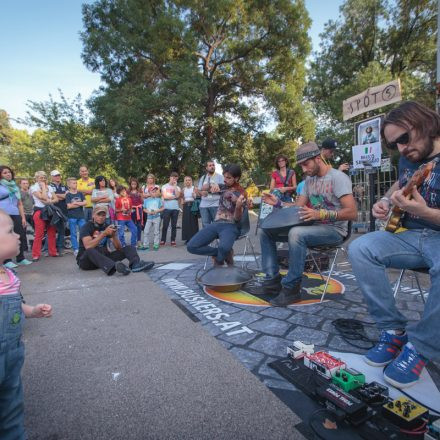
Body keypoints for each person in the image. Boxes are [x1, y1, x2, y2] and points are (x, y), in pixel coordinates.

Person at [348, 101, 440, 389]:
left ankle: (422, 346)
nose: (401, 149)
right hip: (410, 236)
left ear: (424, 123)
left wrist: (425, 212)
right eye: (393, 145)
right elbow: (400, 184)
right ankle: (392, 330)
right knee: (360, 248)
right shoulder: (409, 158)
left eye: (403, 138)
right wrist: (387, 201)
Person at [259, 142, 357, 306]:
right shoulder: (309, 181)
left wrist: (321, 214)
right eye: (301, 166)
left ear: (318, 159)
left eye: (306, 164)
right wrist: (278, 203)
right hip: (314, 226)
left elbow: (352, 212)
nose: (304, 170)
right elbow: (297, 209)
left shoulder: (338, 178)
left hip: (335, 230)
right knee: (264, 231)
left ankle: (291, 289)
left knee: (296, 233)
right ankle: (272, 280)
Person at [0, 208, 52, 440]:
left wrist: (32, 311)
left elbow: (15, 304)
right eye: (10, 231)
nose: (18, 235)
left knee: (11, 406)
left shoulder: (9, 276)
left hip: (12, 355)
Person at [187, 164, 247, 266]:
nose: (225, 179)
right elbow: (205, 188)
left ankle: (219, 261)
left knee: (223, 248)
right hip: (216, 223)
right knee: (191, 246)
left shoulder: (241, 193)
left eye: (228, 178)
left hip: (231, 225)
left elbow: (237, 218)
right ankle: (222, 254)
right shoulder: (222, 186)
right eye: (224, 176)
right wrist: (211, 185)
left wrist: (237, 206)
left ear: (236, 178)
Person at [77, 205, 154, 275]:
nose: (101, 217)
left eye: (103, 215)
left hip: (103, 258)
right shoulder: (86, 227)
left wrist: (114, 236)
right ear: (93, 215)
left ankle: (135, 264)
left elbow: (118, 248)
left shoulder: (107, 226)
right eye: (98, 215)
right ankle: (114, 266)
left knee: (129, 248)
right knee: (90, 250)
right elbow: (88, 246)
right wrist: (103, 234)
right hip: (86, 261)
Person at [0, 166, 31, 267]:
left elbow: (20, 204)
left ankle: (20, 258)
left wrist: (23, 217)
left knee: (20, 235)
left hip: (15, 213)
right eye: (5, 173)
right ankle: (7, 260)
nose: (8, 174)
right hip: (3, 215)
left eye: (9, 172)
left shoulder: (15, 186)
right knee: (5, 237)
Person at [30, 171, 59, 261]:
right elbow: (42, 197)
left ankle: (53, 252)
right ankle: (36, 254)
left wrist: (49, 201)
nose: (43, 179)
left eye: (44, 178)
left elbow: (56, 199)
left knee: (52, 232)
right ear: (36, 178)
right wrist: (43, 187)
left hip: (50, 211)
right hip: (39, 211)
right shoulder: (33, 187)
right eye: (41, 178)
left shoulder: (49, 187)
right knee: (39, 234)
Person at [196, 160, 224, 228]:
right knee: (205, 226)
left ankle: (218, 238)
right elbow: (198, 191)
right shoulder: (203, 178)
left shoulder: (220, 177)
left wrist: (210, 188)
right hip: (204, 206)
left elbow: (224, 190)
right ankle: (208, 238)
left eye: (213, 165)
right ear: (206, 168)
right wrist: (202, 192)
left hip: (216, 204)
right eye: (210, 165)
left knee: (218, 225)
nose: (212, 167)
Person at [66, 177, 87, 257]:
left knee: (83, 232)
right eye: (73, 183)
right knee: (73, 233)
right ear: (69, 185)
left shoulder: (80, 193)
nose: (75, 184)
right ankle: (76, 249)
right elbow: (69, 206)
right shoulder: (68, 195)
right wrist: (80, 203)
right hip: (72, 217)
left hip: (81, 216)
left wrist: (75, 203)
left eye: (76, 183)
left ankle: (83, 247)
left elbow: (85, 203)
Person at [49, 170, 68, 255]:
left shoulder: (64, 186)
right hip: (53, 211)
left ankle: (60, 248)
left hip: (63, 211)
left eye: (59, 175)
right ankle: (49, 249)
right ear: (52, 177)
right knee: (51, 231)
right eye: (56, 175)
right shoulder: (49, 186)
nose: (58, 177)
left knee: (62, 231)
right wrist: (61, 196)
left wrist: (56, 195)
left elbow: (66, 196)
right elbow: (50, 196)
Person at [161, 172, 181, 246]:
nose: (174, 179)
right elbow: (165, 196)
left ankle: (173, 240)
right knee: (165, 225)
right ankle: (163, 240)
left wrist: (175, 186)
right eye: (173, 177)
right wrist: (174, 197)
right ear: (170, 177)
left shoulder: (178, 187)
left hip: (175, 209)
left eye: (176, 178)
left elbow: (178, 195)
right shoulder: (164, 186)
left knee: (174, 225)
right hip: (166, 208)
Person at [181, 176, 199, 243]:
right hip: (186, 206)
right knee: (186, 222)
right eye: (186, 180)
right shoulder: (183, 189)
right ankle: (187, 238)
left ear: (191, 181)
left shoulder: (194, 188)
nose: (188, 181)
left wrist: (195, 196)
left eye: (189, 180)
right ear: (184, 181)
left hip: (193, 206)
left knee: (193, 222)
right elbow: (182, 197)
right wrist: (182, 201)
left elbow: (198, 197)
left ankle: (195, 238)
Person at [128, 178, 144, 248]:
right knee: (133, 225)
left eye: (135, 184)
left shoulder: (139, 191)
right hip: (132, 210)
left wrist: (141, 196)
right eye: (132, 184)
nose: (133, 185)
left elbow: (142, 201)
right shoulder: (128, 192)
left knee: (139, 225)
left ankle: (139, 241)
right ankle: (133, 241)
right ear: (130, 185)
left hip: (139, 209)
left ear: (137, 184)